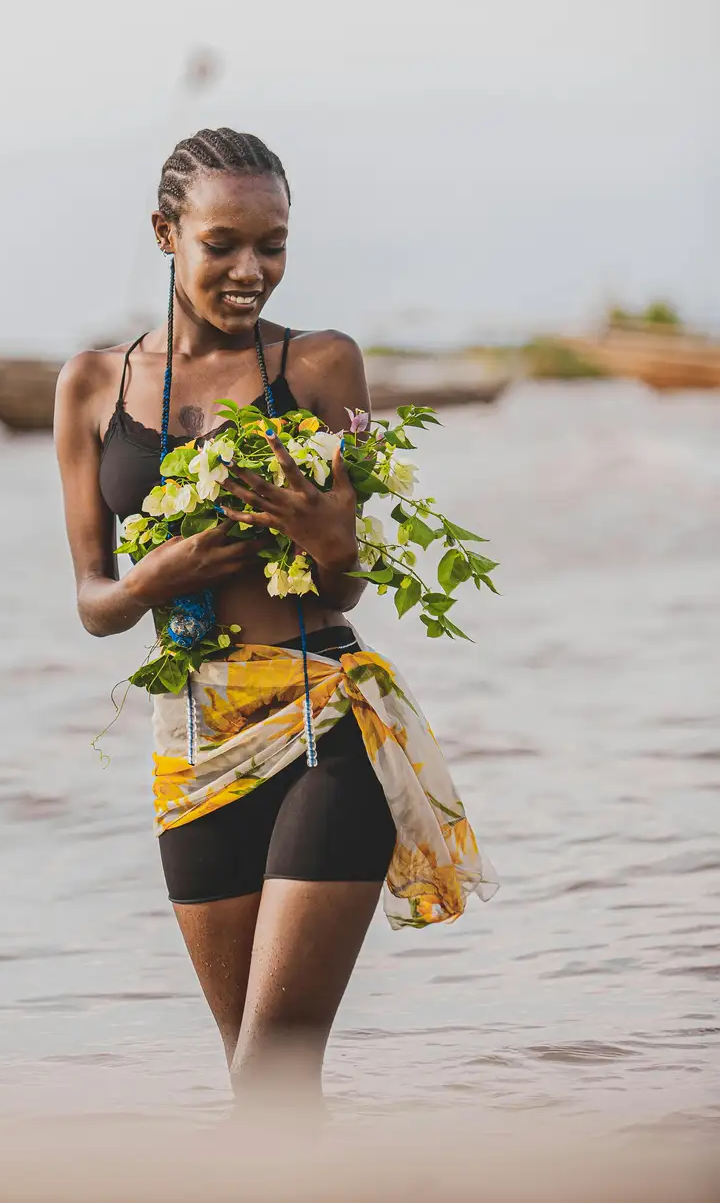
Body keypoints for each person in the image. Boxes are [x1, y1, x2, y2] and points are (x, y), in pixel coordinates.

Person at [55, 128, 495, 1102]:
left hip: (319, 719)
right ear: (165, 233)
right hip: (192, 745)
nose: (253, 270)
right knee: (254, 1080)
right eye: (224, 244)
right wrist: (147, 579)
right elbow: (92, 602)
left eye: (275, 244)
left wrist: (331, 540)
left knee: (273, 1065)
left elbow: (343, 585)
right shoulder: (92, 383)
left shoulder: (324, 365)